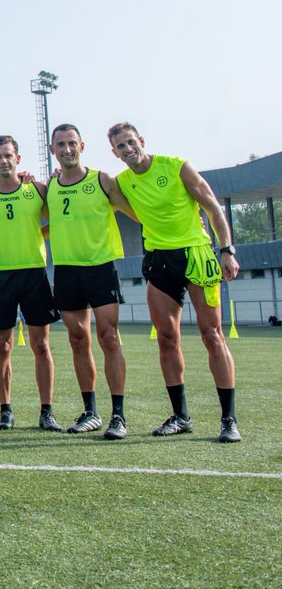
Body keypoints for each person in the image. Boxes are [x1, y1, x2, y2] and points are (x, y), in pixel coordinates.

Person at [108, 122, 241, 442]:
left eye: (130, 142)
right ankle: (181, 416)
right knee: (167, 339)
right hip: (158, 260)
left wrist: (227, 250)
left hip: (197, 255)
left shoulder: (177, 167)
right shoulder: (122, 182)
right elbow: (92, 188)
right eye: (120, 147)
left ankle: (229, 420)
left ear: (141, 140)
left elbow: (212, 206)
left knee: (212, 335)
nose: (128, 150)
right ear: (114, 153)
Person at [46, 124, 134, 440]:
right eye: (60, 145)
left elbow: (135, 212)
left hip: (100, 268)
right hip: (67, 271)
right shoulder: (50, 186)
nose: (67, 149)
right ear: (52, 149)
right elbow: (40, 220)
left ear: (82, 145)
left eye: (72, 143)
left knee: (109, 337)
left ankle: (118, 416)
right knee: (77, 339)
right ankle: (91, 412)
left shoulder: (102, 179)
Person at [0, 135, 60, 431]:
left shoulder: (37, 189)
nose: (3, 161)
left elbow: (56, 221)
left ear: (18, 158)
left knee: (41, 344)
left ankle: (46, 411)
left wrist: (36, 237)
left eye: (8, 155)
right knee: (3, 346)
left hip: (33, 272)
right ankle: (6, 410)